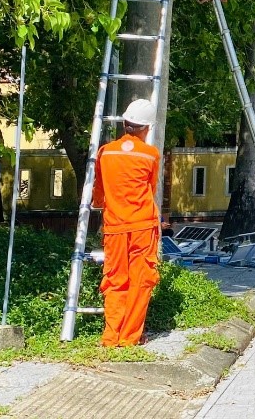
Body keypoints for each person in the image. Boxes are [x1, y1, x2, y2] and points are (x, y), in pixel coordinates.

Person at [93, 99, 162, 347]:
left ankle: (111, 336)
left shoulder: (105, 152)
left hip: (114, 227)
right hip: (142, 225)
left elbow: (98, 193)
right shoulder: (151, 155)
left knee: (114, 279)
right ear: (147, 128)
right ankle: (130, 337)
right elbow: (151, 189)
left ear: (124, 123)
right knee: (141, 280)